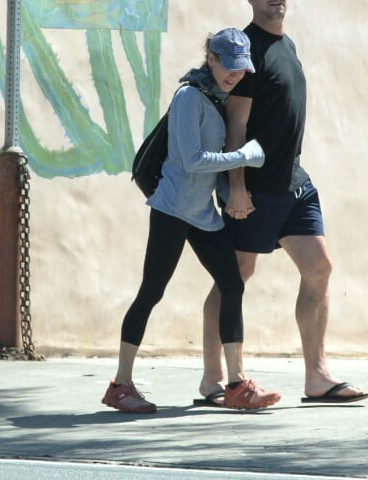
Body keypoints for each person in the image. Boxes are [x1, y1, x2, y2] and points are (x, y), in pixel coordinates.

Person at [199, 0, 368, 404]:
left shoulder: (286, 44)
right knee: (234, 276)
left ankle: (317, 377)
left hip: (295, 183)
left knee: (319, 267)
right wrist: (235, 187)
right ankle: (213, 381)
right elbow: (236, 126)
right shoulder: (245, 51)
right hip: (255, 189)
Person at [102, 28, 282, 413]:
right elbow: (191, 160)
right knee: (151, 292)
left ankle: (236, 385)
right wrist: (245, 156)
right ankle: (120, 384)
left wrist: (234, 193)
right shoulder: (189, 96)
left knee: (232, 284)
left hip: (203, 214)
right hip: (171, 210)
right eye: (228, 66)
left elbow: (207, 168)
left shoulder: (219, 97)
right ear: (211, 59)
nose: (234, 75)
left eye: (240, 69)